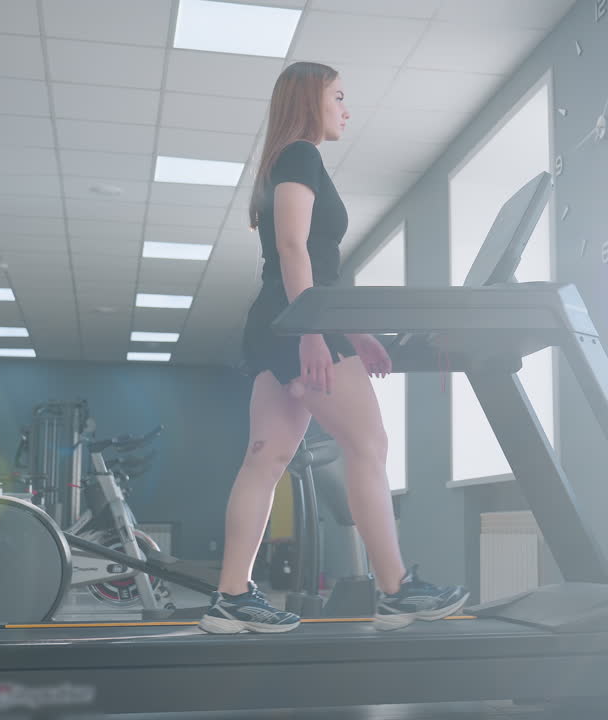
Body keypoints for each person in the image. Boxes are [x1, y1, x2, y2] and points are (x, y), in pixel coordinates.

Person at [199, 62, 469, 635]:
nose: (347, 108)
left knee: (265, 458)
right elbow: (294, 248)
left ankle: (230, 597)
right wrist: (313, 334)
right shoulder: (300, 154)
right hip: (296, 321)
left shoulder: (290, 158)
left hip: (283, 318)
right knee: (368, 444)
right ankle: (396, 590)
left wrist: (354, 331)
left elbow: (313, 266)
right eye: (339, 97)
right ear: (309, 101)